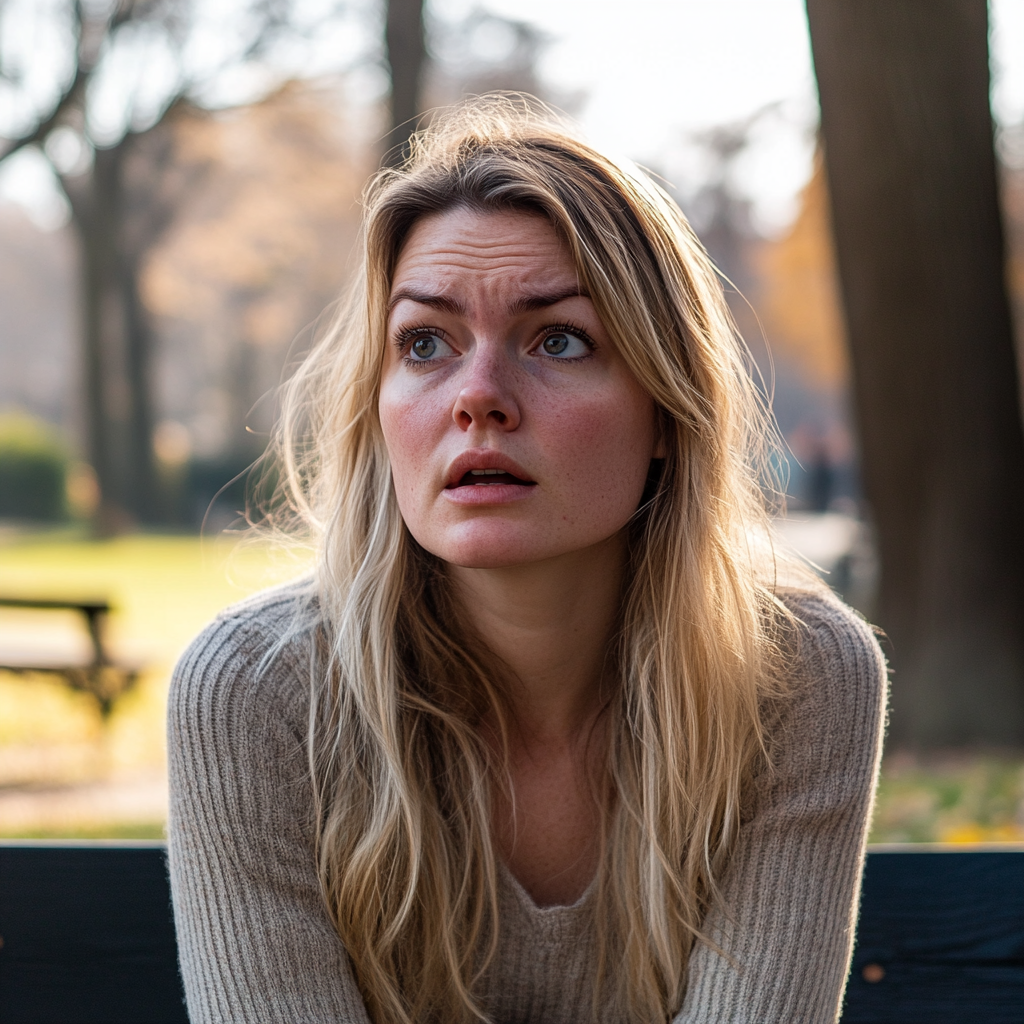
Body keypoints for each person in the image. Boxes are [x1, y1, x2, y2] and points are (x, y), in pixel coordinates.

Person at [167, 96, 887, 1024]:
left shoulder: (796, 679)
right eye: (424, 342)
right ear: (376, 401)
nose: (478, 399)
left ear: (666, 411)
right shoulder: (257, 696)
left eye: (558, 339)